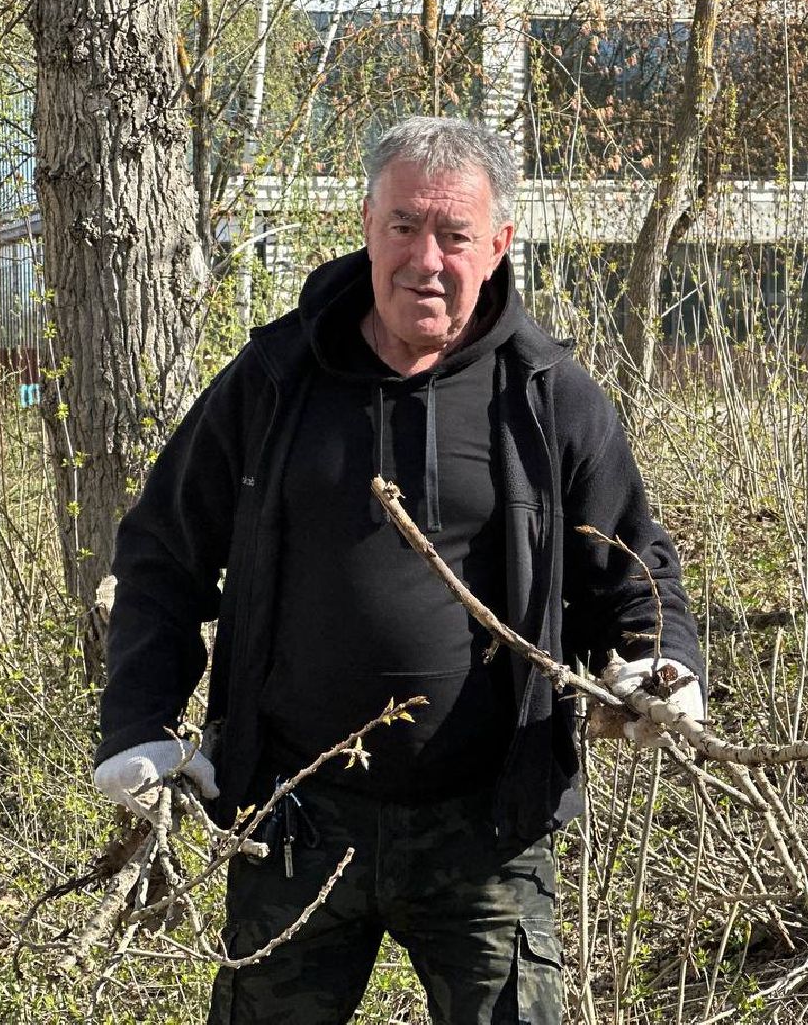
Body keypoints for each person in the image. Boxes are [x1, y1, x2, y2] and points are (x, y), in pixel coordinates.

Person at [90, 116, 706, 1024]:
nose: (427, 260)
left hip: (487, 826)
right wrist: (139, 724)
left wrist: (660, 665)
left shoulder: (548, 396)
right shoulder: (275, 381)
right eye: (405, 226)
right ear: (367, 227)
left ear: (499, 244)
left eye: (455, 234)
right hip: (296, 814)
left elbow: (630, 562)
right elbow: (161, 554)